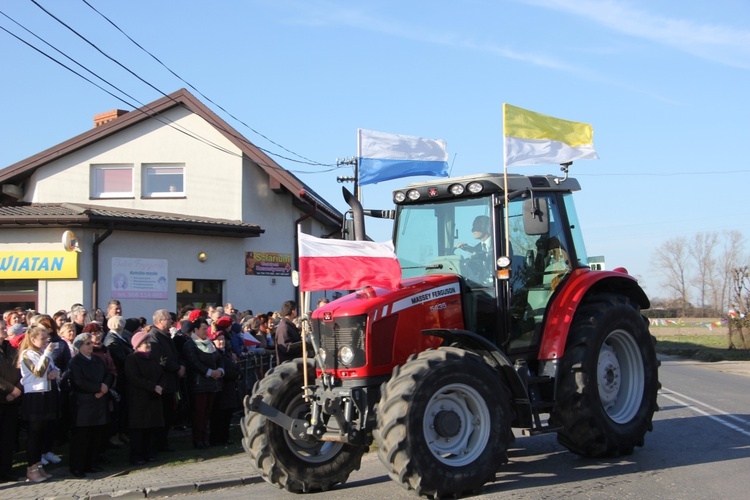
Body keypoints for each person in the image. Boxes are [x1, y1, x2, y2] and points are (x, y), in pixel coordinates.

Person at [68, 332, 114, 478]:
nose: (91, 346)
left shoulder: (97, 359)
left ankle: (92, 463)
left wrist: (105, 386)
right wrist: (98, 388)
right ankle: (78, 467)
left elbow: (109, 374)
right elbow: (79, 382)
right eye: (87, 344)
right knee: (82, 438)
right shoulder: (75, 362)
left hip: (99, 402)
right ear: (79, 347)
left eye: (91, 343)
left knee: (96, 436)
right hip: (84, 404)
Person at [18, 326, 60, 482]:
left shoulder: (42, 353)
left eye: (46, 338)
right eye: (42, 339)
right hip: (34, 396)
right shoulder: (26, 354)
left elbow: (53, 369)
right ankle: (31, 469)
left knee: (43, 432)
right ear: (33, 339)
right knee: (34, 434)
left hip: (46, 395)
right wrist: (48, 353)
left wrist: (56, 372)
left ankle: (39, 465)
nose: (45, 342)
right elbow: (39, 372)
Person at [182, 317, 223, 449]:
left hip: (211, 384)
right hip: (198, 384)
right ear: (196, 329)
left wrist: (220, 370)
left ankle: (205, 437)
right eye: (204, 329)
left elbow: (218, 358)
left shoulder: (209, 343)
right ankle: (197, 439)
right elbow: (193, 362)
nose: (207, 331)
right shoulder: (190, 344)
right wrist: (210, 372)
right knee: (198, 413)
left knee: (207, 412)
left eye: (207, 328)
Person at [148, 309, 185, 452]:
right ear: (159, 321)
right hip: (163, 382)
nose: (172, 321)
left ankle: (163, 443)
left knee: (169, 414)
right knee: (162, 415)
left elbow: (174, 354)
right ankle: (158, 444)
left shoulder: (166, 335)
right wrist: (177, 368)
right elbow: (161, 359)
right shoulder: (154, 336)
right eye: (168, 319)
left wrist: (181, 366)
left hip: (171, 382)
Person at [124, 328, 163, 465]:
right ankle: (137, 455)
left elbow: (159, 373)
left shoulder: (153, 358)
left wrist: (158, 386)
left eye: (148, 342)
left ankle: (150, 453)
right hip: (138, 399)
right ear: (137, 345)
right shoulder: (132, 359)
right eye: (145, 342)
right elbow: (134, 378)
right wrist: (152, 386)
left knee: (151, 428)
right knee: (139, 429)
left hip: (153, 398)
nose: (148, 345)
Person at [104, 316, 133, 445]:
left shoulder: (121, 338)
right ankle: (114, 434)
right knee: (118, 409)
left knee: (124, 408)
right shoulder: (112, 340)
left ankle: (122, 432)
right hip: (119, 378)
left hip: (124, 378)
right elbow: (121, 358)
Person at [208, 329, 241, 446]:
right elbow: (224, 371)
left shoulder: (227, 353)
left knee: (227, 416)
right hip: (221, 389)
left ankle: (225, 438)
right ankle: (217, 439)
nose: (221, 342)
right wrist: (235, 374)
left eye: (222, 340)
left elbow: (234, 367)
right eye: (218, 340)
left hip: (230, 388)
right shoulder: (215, 354)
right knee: (219, 416)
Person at [0, 320, 22, 482]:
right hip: (2, 397)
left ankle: (6, 470)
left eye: (3, 327)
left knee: (8, 437)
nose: (3, 329)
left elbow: (22, 370)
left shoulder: (11, 349)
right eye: (0, 328)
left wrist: (18, 389)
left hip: (13, 399)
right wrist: (10, 389)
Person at [455, 215, 494, 284]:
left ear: (487, 228)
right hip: (482, 286)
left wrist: (475, 252)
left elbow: (491, 258)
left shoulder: (501, 244)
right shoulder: (477, 248)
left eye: (476, 227)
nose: (473, 231)